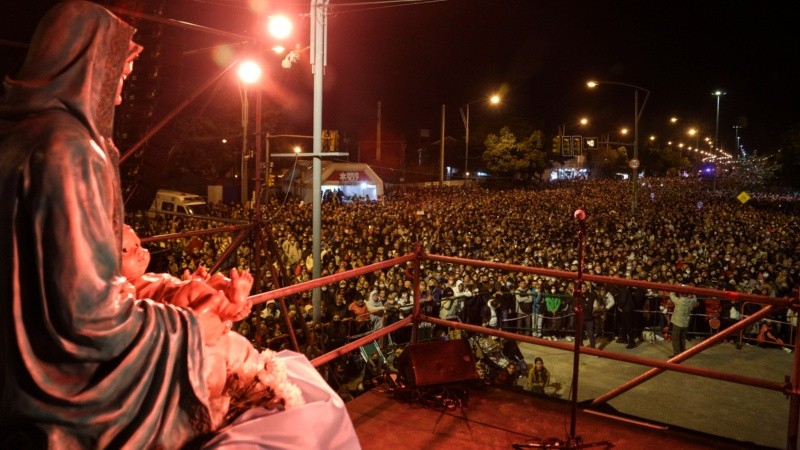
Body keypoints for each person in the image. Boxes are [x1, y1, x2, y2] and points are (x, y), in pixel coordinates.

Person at [0, 3, 359, 448]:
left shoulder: (25, 138)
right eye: (122, 61)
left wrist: (177, 295)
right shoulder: (68, 150)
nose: (126, 76)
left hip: (29, 367)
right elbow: (86, 317)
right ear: (88, 60)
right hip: (66, 382)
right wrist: (188, 326)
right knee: (224, 361)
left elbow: (79, 291)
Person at [668, 290, 699, 357]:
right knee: (682, 338)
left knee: (676, 338)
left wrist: (674, 288)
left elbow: (671, 295)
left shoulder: (679, 301)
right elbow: (695, 299)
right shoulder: (691, 301)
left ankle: (677, 353)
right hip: (685, 322)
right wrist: (692, 292)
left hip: (677, 322)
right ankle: (682, 352)